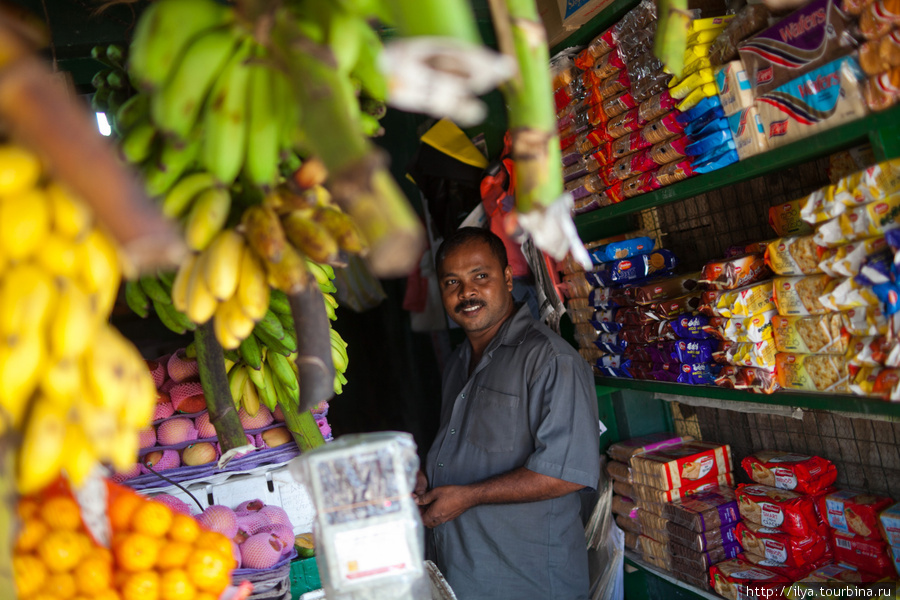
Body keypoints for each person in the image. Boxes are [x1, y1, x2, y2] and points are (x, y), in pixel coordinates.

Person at [414, 227, 601, 600]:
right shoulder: (458, 363)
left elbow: (566, 474)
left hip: (528, 583)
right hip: (464, 576)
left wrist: (469, 496)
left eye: (480, 277)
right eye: (453, 282)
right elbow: (468, 453)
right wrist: (427, 480)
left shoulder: (551, 360)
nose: (466, 293)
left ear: (507, 278)